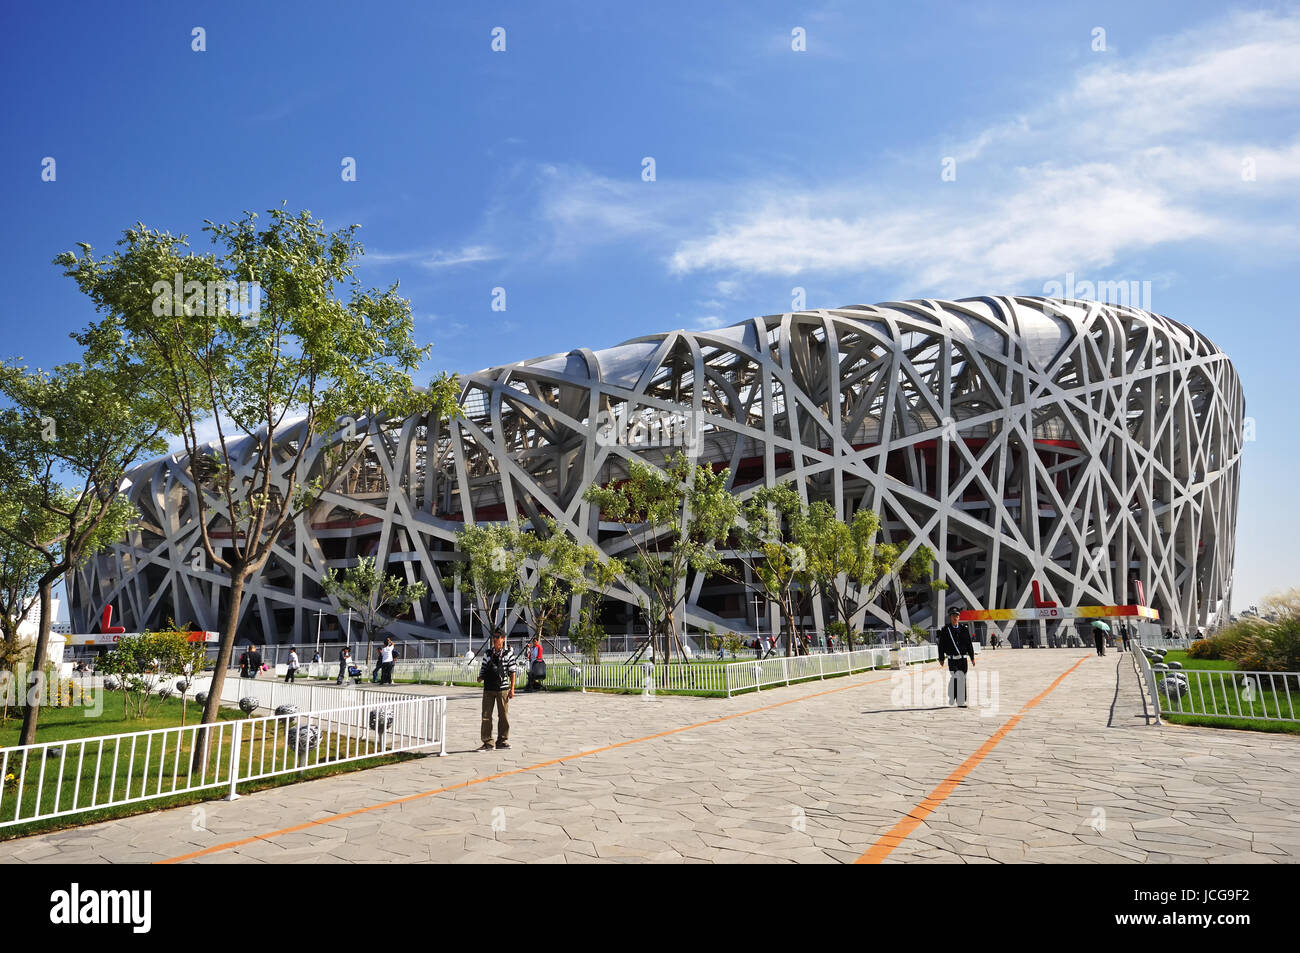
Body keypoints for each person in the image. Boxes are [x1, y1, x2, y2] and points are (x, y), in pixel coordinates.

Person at [477, 631, 517, 750]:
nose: (495, 640)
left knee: (503, 715)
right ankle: (488, 741)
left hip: (502, 688)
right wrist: (480, 677)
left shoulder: (508, 653)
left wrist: (512, 688)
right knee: (486, 716)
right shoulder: (488, 653)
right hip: (488, 688)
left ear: (503, 639)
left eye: (497, 638)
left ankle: (502, 740)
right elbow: (483, 667)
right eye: (494, 638)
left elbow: (512, 671)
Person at [937, 608, 976, 708]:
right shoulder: (946, 630)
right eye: (953, 616)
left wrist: (972, 657)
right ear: (950, 617)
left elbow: (969, 644)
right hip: (952, 659)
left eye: (957, 616)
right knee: (955, 678)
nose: (955, 618)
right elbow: (941, 645)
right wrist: (941, 658)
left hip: (963, 659)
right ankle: (952, 695)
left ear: (959, 617)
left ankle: (961, 701)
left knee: (962, 678)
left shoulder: (964, 629)